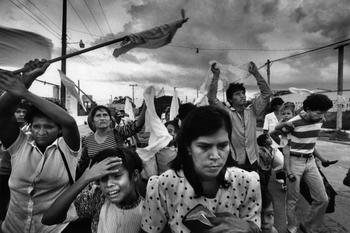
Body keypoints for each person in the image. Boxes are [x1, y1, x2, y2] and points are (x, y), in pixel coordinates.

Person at [142, 106, 261, 233]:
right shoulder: (164, 185)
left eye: (222, 145)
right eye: (204, 147)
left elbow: (255, 225)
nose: (215, 156)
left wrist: (249, 229)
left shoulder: (247, 183)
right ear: (188, 147)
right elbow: (151, 229)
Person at [0, 60, 80, 233]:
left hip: (55, 229)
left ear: (59, 130)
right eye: (36, 126)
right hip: (13, 228)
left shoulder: (68, 148)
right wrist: (27, 79)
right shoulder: (20, 144)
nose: (41, 132)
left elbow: (70, 123)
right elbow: (2, 113)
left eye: (48, 127)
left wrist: (25, 93)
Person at [42, 147, 144, 233]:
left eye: (117, 176)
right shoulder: (98, 197)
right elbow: (49, 218)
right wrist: (85, 178)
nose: (109, 184)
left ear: (134, 175)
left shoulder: (150, 205)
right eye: (103, 178)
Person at [276, 94, 334, 233]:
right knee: (292, 200)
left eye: (324, 112)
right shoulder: (294, 122)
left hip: (311, 162)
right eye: (319, 112)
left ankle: (309, 227)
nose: (322, 116)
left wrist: (323, 159)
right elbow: (276, 133)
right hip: (295, 162)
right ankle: (292, 227)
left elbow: (311, 143)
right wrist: (288, 168)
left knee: (323, 199)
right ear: (308, 109)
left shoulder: (320, 119)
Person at [208, 62, 272, 172]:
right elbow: (212, 99)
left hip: (253, 159)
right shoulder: (226, 113)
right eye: (237, 94)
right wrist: (216, 76)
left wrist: (256, 73)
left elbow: (266, 93)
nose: (242, 96)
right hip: (234, 161)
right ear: (230, 100)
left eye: (243, 93)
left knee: (253, 187)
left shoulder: (252, 110)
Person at [76, 103, 146, 179]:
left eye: (105, 115)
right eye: (98, 115)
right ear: (92, 121)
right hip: (98, 181)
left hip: (118, 177)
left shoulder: (118, 133)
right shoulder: (87, 140)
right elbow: (82, 165)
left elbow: (137, 125)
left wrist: (146, 105)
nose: (102, 118)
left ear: (110, 120)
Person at [0, 100, 31, 221]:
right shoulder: (4, 127)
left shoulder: (29, 131)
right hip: (3, 170)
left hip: (16, 172)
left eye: (24, 112)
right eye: (18, 111)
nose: (21, 114)